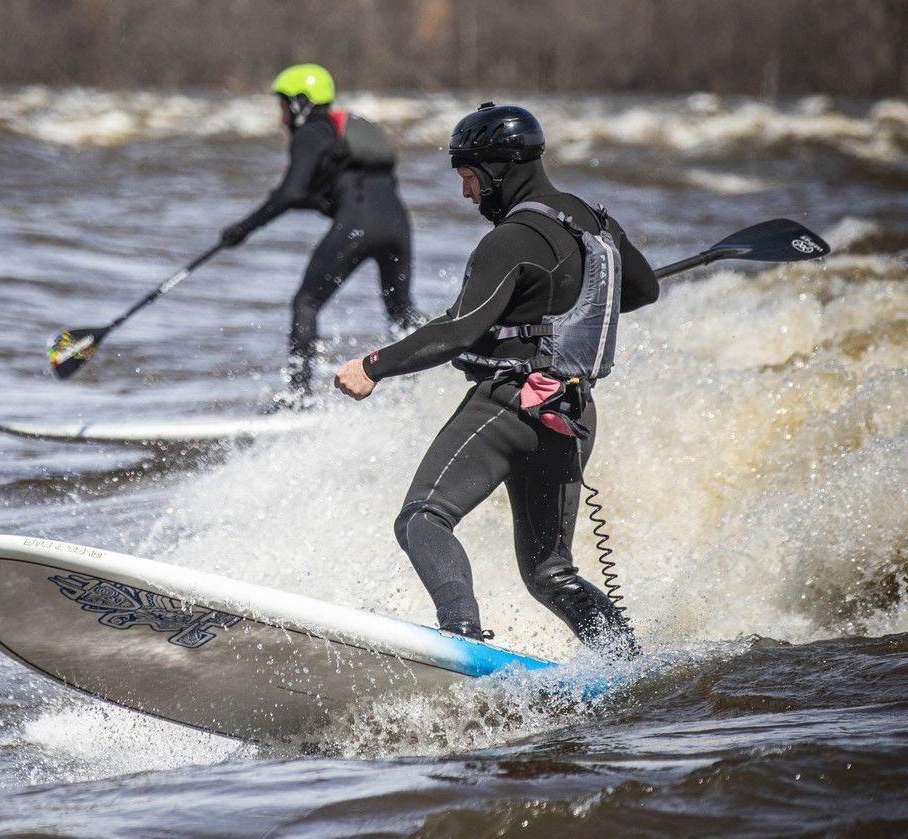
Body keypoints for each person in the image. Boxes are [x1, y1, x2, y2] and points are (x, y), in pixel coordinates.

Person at [334, 102, 660, 658]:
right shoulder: (598, 224)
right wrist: (557, 304)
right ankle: (629, 663)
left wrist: (373, 366)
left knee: (422, 520)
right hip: (571, 413)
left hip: (509, 407)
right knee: (551, 574)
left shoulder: (511, 239)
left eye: (467, 177)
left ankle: (460, 645)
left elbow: (457, 331)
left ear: (498, 169)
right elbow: (641, 291)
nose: (466, 193)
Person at [221, 63, 420, 407]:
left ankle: (298, 398)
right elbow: (326, 194)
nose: (281, 118)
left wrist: (242, 229)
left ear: (300, 102)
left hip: (358, 221)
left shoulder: (311, 134)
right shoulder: (343, 137)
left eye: (283, 106)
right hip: (399, 223)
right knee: (400, 313)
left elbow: (291, 193)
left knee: (306, 302)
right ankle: (429, 385)